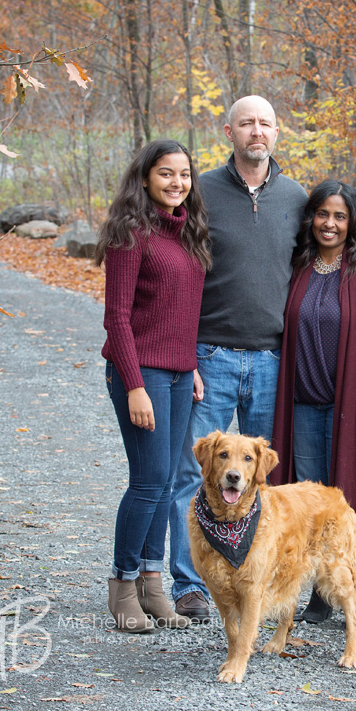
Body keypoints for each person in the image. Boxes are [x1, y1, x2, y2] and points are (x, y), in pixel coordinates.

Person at [167, 96, 308, 623]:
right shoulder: (199, 192)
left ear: (277, 132)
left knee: (261, 481)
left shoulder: (296, 198)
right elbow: (180, 278)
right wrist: (188, 358)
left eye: (265, 123)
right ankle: (189, 584)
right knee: (194, 472)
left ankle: (257, 576)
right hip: (212, 356)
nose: (257, 131)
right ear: (229, 130)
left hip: (272, 359)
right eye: (247, 122)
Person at [269, 180, 356, 629]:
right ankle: (320, 593)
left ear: (353, 222)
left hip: (353, 411)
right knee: (310, 505)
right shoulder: (298, 266)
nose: (330, 223)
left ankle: (355, 592)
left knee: (349, 504)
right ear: (311, 218)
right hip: (303, 407)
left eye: (339, 216)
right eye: (323, 214)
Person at [97, 139, 211, 633]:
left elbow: (184, 313)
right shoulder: (131, 235)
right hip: (139, 373)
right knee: (148, 482)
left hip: (180, 374)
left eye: (184, 175)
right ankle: (122, 586)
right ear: (145, 178)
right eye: (166, 174)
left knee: (167, 484)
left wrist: (192, 365)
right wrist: (134, 384)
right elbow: (117, 319)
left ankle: (152, 585)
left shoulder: (190, 235)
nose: (176, 183)